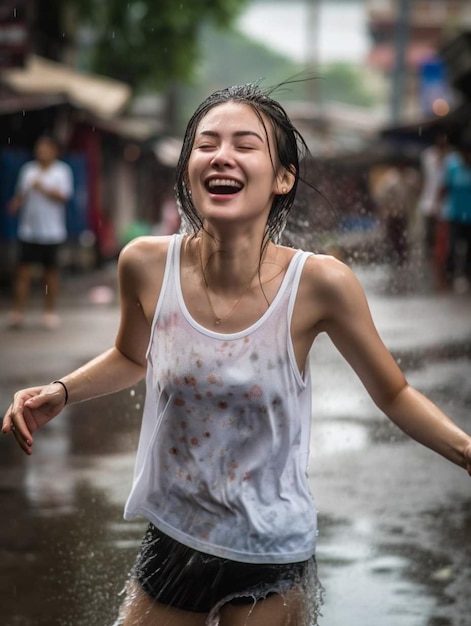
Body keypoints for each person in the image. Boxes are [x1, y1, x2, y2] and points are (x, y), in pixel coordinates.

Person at [3, 83, 471, 626]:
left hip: (271, 549)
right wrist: (62, 392)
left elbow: (394, 391)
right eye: (206, 145)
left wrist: (465, 450)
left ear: (283, 177)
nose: (222, 155)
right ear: (187, 170)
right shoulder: (146, 265)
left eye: (245, 145)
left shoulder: (319, 283)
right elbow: (132, 357)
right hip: (176, 535)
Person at [7, 135, 74, 329]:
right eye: (39, 148)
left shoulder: (62, 171)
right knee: (23, 272)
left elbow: (63, 197)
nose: (41, 152)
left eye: (46, 149)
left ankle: (49, 312)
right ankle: (18, 312)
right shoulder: (28, 170)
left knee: (50, 274)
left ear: (54, 151)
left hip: (52, 232)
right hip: (28, 230)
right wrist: (15, 205)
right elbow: (20, 195)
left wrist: (43, 187)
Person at [442, 136, 471, 294]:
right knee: (453, 246)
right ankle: (451, 275)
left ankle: (467, 274)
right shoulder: (453, 166)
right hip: (455, 215)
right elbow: (445, 188)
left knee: (469, 249)